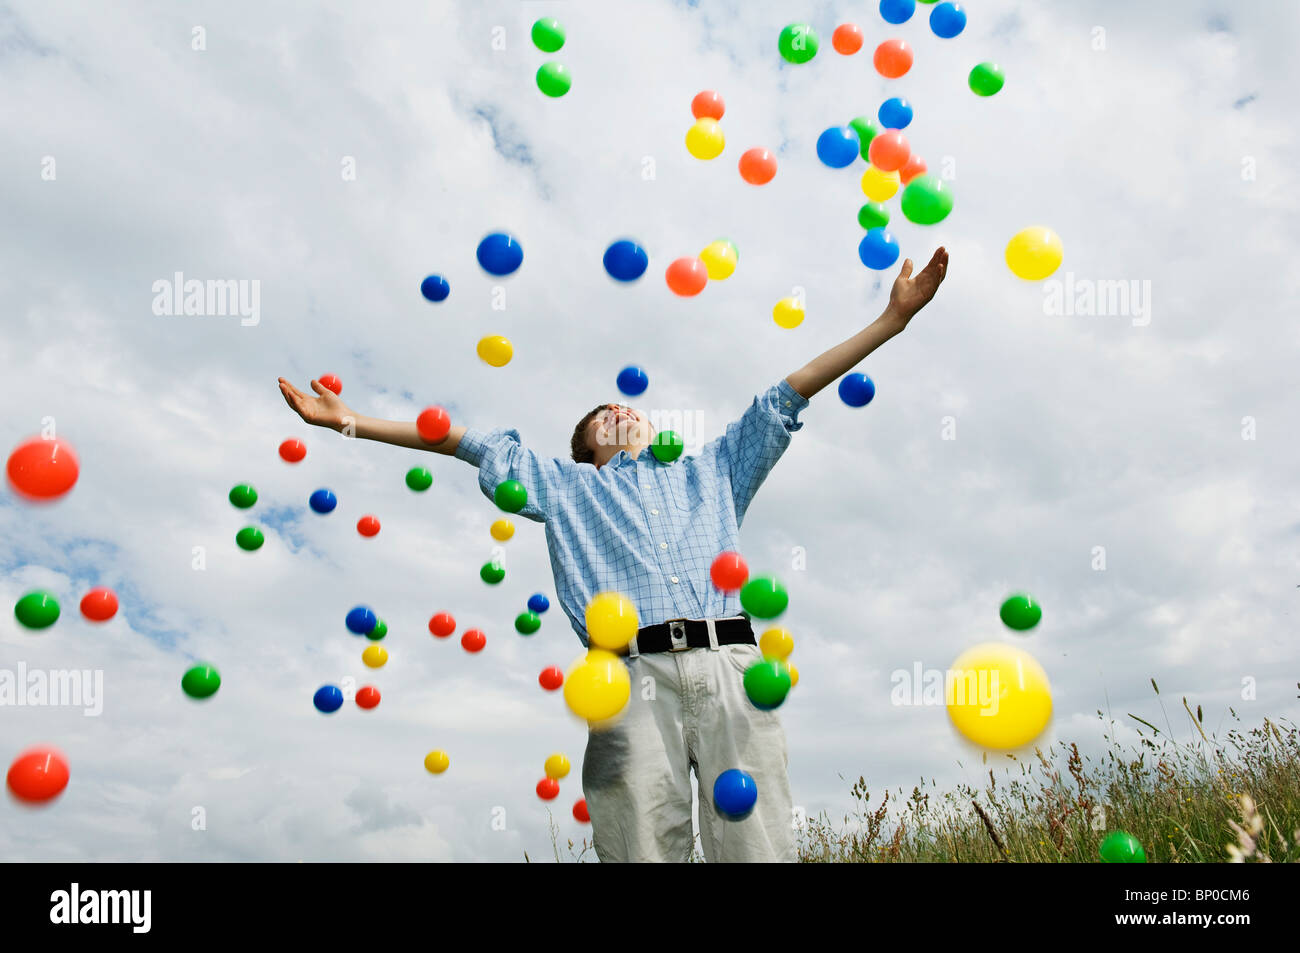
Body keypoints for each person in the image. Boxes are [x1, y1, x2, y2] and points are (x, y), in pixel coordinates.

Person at [278, 247, 949, 862]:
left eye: (628, 408)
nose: (620, 413)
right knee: (638, 847)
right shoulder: (564, 487)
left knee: (759, 846)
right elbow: (461, 439)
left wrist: (891, 320)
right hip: (627, 679)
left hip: (729, 669)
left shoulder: (714, 468)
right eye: (602, 417)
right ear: (587, 447)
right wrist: (351, 421)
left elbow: (790, 391)